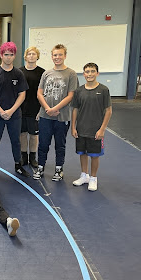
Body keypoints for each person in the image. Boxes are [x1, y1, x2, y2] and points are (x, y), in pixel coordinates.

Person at [33, 44, 79, 181]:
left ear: (64, 56)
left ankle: (59, 169)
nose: (57, 57)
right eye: (55, 55)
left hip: (61, 116)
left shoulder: (71, 74)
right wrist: (47, 108)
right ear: (52, 56)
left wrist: (55, 109)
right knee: (43, 144)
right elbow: (39, 93)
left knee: (60, 144)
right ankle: (40, 167)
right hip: (45, 115)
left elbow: (71, 95)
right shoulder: (46, 73)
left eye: (60, 55)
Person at [0, 42, 30, 177]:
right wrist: (0, 110)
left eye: (11, 55)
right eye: (6, 55)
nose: (8, 57)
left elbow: (22, 94)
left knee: (16, 141)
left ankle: (18, 165)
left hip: (14, 115)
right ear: (1, 55)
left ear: (14, 56)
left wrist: (11, 111)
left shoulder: (19, 74)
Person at [71, 63, 112, 192]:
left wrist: (102, 129)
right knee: (82, 153)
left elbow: (109, 111)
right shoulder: (79, 91)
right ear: (83, 74)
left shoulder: (104, 90)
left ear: (97, 73)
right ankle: (84, 175)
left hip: (95, 130)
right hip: (81, 128)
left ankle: (93, 178)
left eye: (92, 71)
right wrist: (73, 127)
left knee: (94, 155)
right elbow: (75, 109)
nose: (89, 74)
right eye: (87, 72)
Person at [19, 46, 45, 169]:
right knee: (22, 133)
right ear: (25, 56)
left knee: (34, 135)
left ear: (37, 56)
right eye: (29, 54)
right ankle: (24, 156)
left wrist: (42, 109)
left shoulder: (42, 73)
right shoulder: (19, 72)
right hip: (22, 108)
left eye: (34, 54)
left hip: (36, 108)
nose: (31, 56)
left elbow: (44, 92)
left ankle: (33, 157)